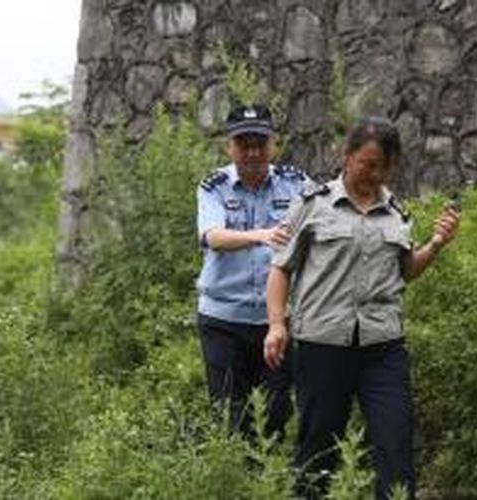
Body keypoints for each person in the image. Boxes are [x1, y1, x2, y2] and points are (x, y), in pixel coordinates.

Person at [263, 116, 460, 499]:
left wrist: (436, 244)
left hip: (382, 347)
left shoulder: (398, 214)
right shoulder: (313, 205)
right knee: (317, 449)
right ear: (347, 156)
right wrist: (276, 324)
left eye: (383, 167)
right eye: (367, 164)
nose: (374, 174)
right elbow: (281, 268)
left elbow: (405, 273)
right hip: (323, 344)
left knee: (395, 441)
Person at [196, 103, 309, 439]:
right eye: (243, 143)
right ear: (229, 147)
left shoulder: (295, 182)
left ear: (273, 143)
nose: (253, 152)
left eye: (260, 142)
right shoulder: (213, 187)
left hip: (277, 320)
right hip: (223, 319)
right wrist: (261, 235)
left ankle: (268, 484)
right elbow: (213, 236)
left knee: (276, 411)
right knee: (230, 414)